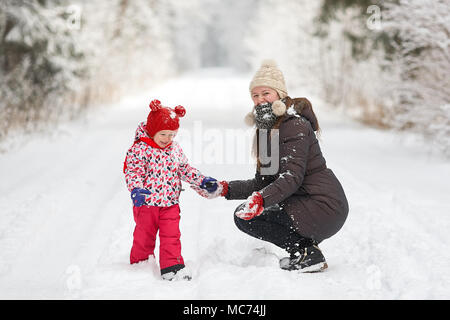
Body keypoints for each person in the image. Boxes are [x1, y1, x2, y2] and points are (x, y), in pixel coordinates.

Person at [192, 60, 349, 273]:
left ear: (279, 95)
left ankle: (307, 253)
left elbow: (291, 177)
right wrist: (224, 188)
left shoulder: (295, 125)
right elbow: (263, 182)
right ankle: (306, 252)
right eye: (255, 96)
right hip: (304, 201)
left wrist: (261, 200)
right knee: (244, 214)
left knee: (253, 214)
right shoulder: (266, 130)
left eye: (266, 93)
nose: (260, 100)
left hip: (324, 204)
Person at [123, 99, 224, 281]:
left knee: (172, 235)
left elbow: (185, 169)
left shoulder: (174, 149)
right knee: (144, 236)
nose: (167, 139)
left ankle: (172, 266)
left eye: (172, 135)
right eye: (163, 134)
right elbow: (133, 172)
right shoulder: (140, 149)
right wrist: (136, 189)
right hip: (146, 203)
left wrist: (202, 180)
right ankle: (140, 265)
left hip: (170, 203)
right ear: (152, 131)